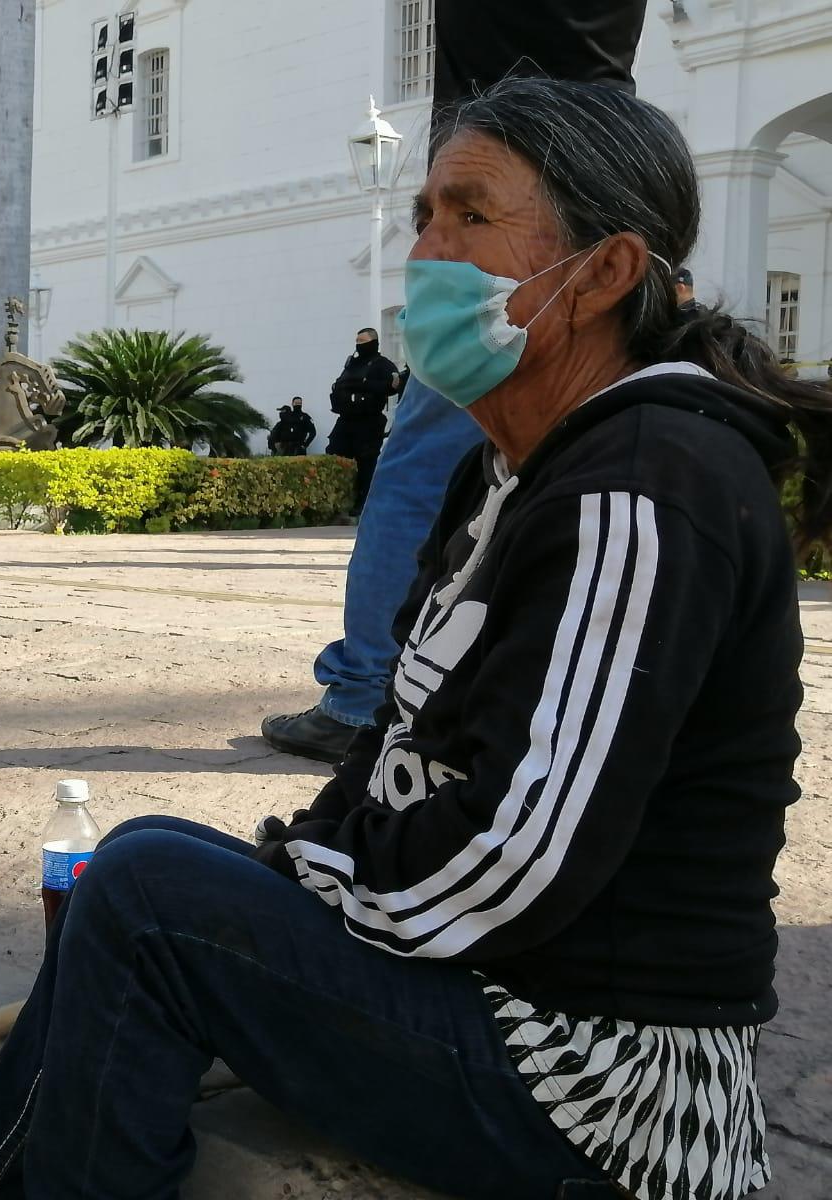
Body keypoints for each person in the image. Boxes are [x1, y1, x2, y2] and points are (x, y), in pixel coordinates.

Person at [0, 76, 821, 1200]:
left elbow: (523, 855)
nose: (429, 251)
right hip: (498, 989)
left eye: (471, 215)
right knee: (155, 859)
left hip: (601, 1078)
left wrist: (314, 882)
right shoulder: (508, 471)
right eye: (424, 216)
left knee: (152, 895)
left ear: (605, 271)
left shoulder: (643, 488)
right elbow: (398, 742)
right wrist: (304, 858)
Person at [262, 0, 647, 765]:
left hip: (509, 192)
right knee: (616, 449)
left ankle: (364, 694)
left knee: (420, 472)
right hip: (613, 180)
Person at [325, 329, 397, 514]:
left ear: (374, 342)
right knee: (333, 456)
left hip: (369, 422)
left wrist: (364, 385)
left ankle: (364, 505)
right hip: (346, 421)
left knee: (366, 464)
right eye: (357, 340)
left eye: (362, 340)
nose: (358, 344)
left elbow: (393, 386)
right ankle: (335, 503)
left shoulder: (382, 364)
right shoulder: (351, 364)